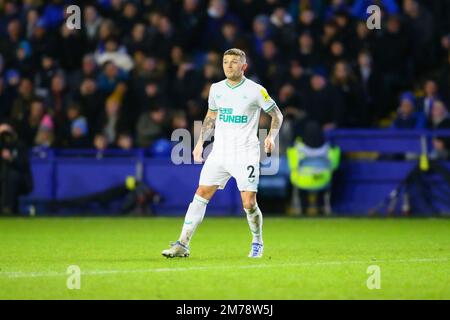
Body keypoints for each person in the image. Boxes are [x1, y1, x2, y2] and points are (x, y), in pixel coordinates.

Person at [162, 48, 283, 258]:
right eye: (226, 61)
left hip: (246, 153)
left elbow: (277, 114)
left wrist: (271, 137)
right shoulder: (216, 89)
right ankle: (182, 243)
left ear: (243, 66)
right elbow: (211, 116)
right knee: (201, 193)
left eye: (234, 62)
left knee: (248, 202)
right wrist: (200, 143)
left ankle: (257, 241)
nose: (229, 65)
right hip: (219, 152)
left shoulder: (256, 90)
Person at [0, 122, 33, 215]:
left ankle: (8, 208)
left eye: (7, 134)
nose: (5, 137)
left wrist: (11, 158)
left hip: (21, 180)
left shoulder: (20, 145)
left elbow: (23, 165)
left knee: (12, 176)